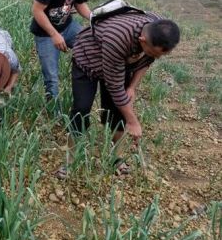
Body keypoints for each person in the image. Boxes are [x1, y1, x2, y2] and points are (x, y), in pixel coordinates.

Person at [56, 11, 180, 178]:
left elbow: (146, 60)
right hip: (88, 61)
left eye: (161, 54)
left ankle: (117, 159)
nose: (156, 57)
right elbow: (114, 87)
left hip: (120, 64)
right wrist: (133, 121)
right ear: (142, 41)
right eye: (153, 52)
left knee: (117, 112)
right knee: (81, 109)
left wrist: (132, 87)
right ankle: (70, 161)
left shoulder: (157, 28)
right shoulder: (118, 37)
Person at [30, 0, 94, 103]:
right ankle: (54, 111)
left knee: (90, 47)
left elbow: (79, 4)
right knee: (51, 76)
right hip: (46, 33)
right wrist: (54, 35)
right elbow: (37, 11)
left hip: (68, 26)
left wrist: (94, 18)